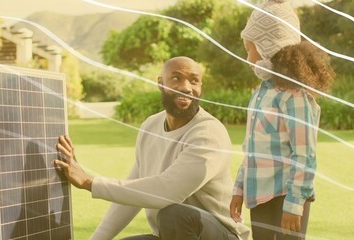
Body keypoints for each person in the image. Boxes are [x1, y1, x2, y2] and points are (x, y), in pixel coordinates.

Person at [55, 56, 250, 240]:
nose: (186, 87)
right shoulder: (150, 126)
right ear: (160, 83)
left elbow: (167, 192)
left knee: (174, 213)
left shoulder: (209, 133)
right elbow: (131, 196)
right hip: (172, 234)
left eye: (194, 81)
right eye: (176, 78)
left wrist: (89, 182)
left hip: (221, 234)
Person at [230, 1, 336, 239]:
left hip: (286, 197)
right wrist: (239, 188)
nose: (247, 57)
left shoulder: (294, 96)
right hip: (259, 196)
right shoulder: (261, 93)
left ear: (269, 46)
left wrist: (294, 204)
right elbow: (251, 150)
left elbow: (305, 154)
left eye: (250, 49)